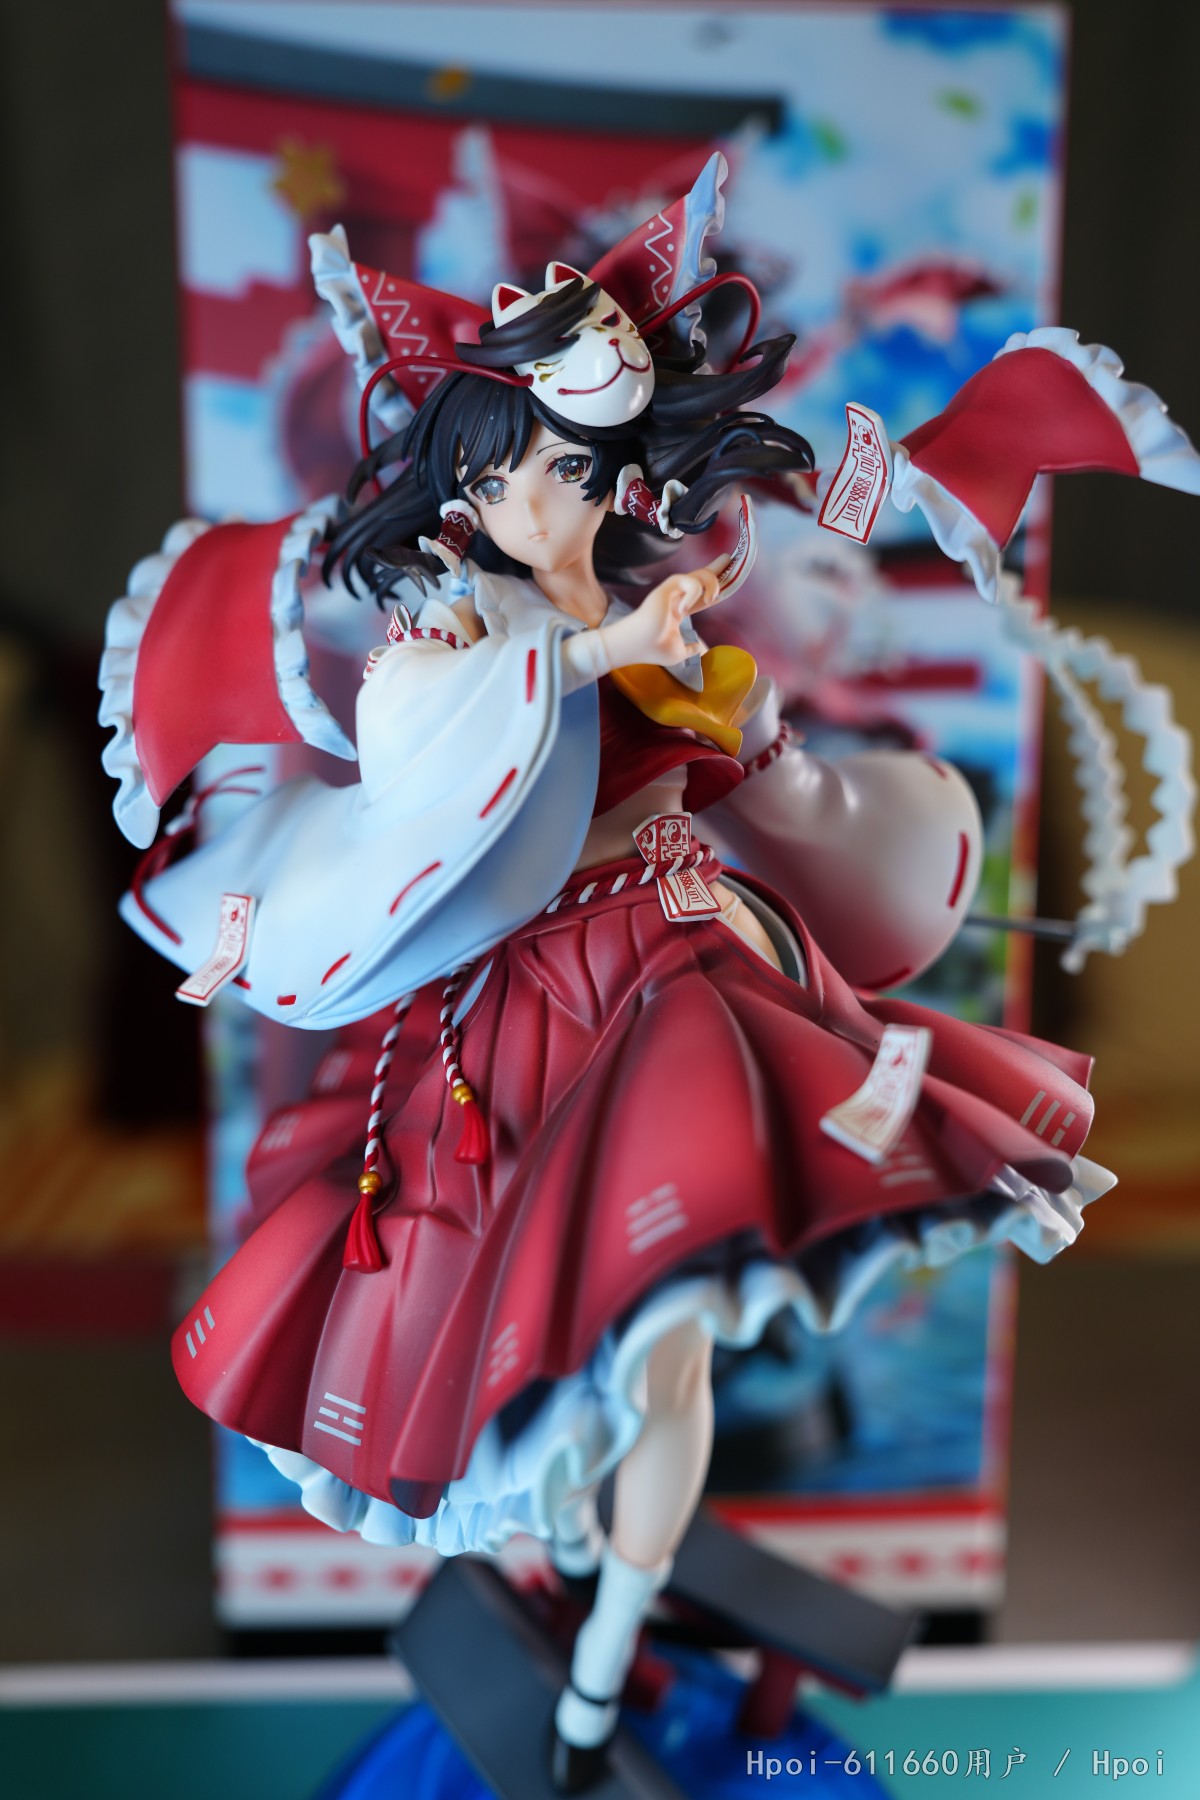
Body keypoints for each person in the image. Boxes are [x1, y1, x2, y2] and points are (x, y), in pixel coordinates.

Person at [104, 158, 1185, 1789]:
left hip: (696, 971)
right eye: (523, 472)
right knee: (560, 1326)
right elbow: (427, 751)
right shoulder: (450, 640)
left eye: (575, 468)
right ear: (467, 483)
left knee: (673, 1328)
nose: (554, 501)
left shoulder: (662, 601)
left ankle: (608, 1650)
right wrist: (606, 653)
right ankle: (576, 1603)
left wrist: (767, 741)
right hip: (539, 1014)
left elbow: (756, 775)